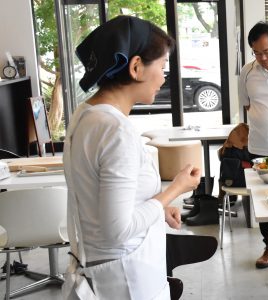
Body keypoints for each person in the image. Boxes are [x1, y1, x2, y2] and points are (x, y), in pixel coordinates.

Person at [63, 16, 201, 298]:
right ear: (136, 67)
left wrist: (158, 209)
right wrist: (176, 189)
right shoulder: (115, 131)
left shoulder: (84, 116)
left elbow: (98, 199)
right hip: (126, 279)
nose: (164, 77)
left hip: (98, 268)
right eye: (162, 66)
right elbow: (118, 230)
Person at [238, 21, 268, 269]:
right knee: (264, 200)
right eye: (257, 53)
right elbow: (246, 105)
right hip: (260, 147)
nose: (263, 58)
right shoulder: (247, 71)